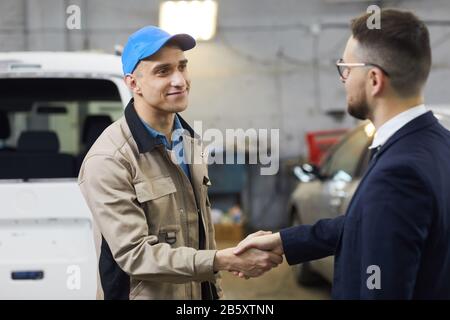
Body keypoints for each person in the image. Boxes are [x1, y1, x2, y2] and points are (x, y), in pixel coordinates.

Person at [234, 9, 450, 299]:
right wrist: (286, 241)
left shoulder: (398, 172)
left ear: (374, 80)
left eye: (346, 69)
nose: (343, 79)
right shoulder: (438, 142)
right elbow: (375, 223)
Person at [78, 26, 282, 300]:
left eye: (182, 67)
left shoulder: (189, 142)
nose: (180, 80)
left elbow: (199, 236)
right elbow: (135, 255)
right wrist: (221, 260)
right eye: (163, 71)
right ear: (133, 83)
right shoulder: (110, 159)